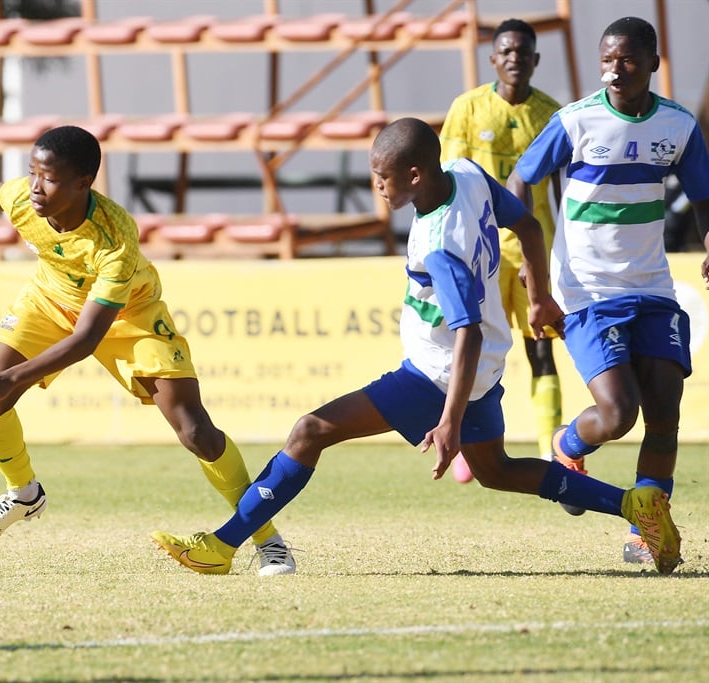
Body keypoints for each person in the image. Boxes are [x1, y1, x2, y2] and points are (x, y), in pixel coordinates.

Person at [151, 118, 682, 576]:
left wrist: (449, 419)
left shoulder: (436, 242)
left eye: (381, 176)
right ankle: (636, 504)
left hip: (436, 375)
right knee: (496, 471)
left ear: (413, 175)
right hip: (483, 369)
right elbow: (529, 223)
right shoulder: (470, 175)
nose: (375, 185)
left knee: (309, 432)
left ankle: (222, 546)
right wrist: (539, 296)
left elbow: (465, 327)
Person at [0, 124, 296, 576]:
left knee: (196, 432)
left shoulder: (115, 239)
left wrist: (14, 378)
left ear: (83, 183)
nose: (37, 187)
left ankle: (266, 539)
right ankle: (23, 492)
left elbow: (86, 340)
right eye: (33, 173)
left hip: (128, 316)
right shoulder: (24, 197)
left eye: (51, 178)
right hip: (48, 300)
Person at [507, 16, 709, 565]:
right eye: (607, 60)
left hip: (654, 288)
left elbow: (702, 192)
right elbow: (521, 180)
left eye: (627, 61)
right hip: (589, 291)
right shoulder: (576, 121)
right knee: (619, 414)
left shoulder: (679, 125)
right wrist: (531, 262)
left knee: (665, 410)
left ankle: (648, 530)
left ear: (653, 64)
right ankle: (568, 445)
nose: (615, 70)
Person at [439, 19, 563, 481]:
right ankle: (469, 445)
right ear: (494, 59)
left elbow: (563, 189)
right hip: (481, 253)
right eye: (506, 51)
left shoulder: (552, 114)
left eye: (523, 52)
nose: (514, 58)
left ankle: (554, 448)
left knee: (541, 348)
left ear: (535, 59)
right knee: (475, 347)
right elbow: (448, 175)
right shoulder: (469, 108)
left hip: (533, 250)